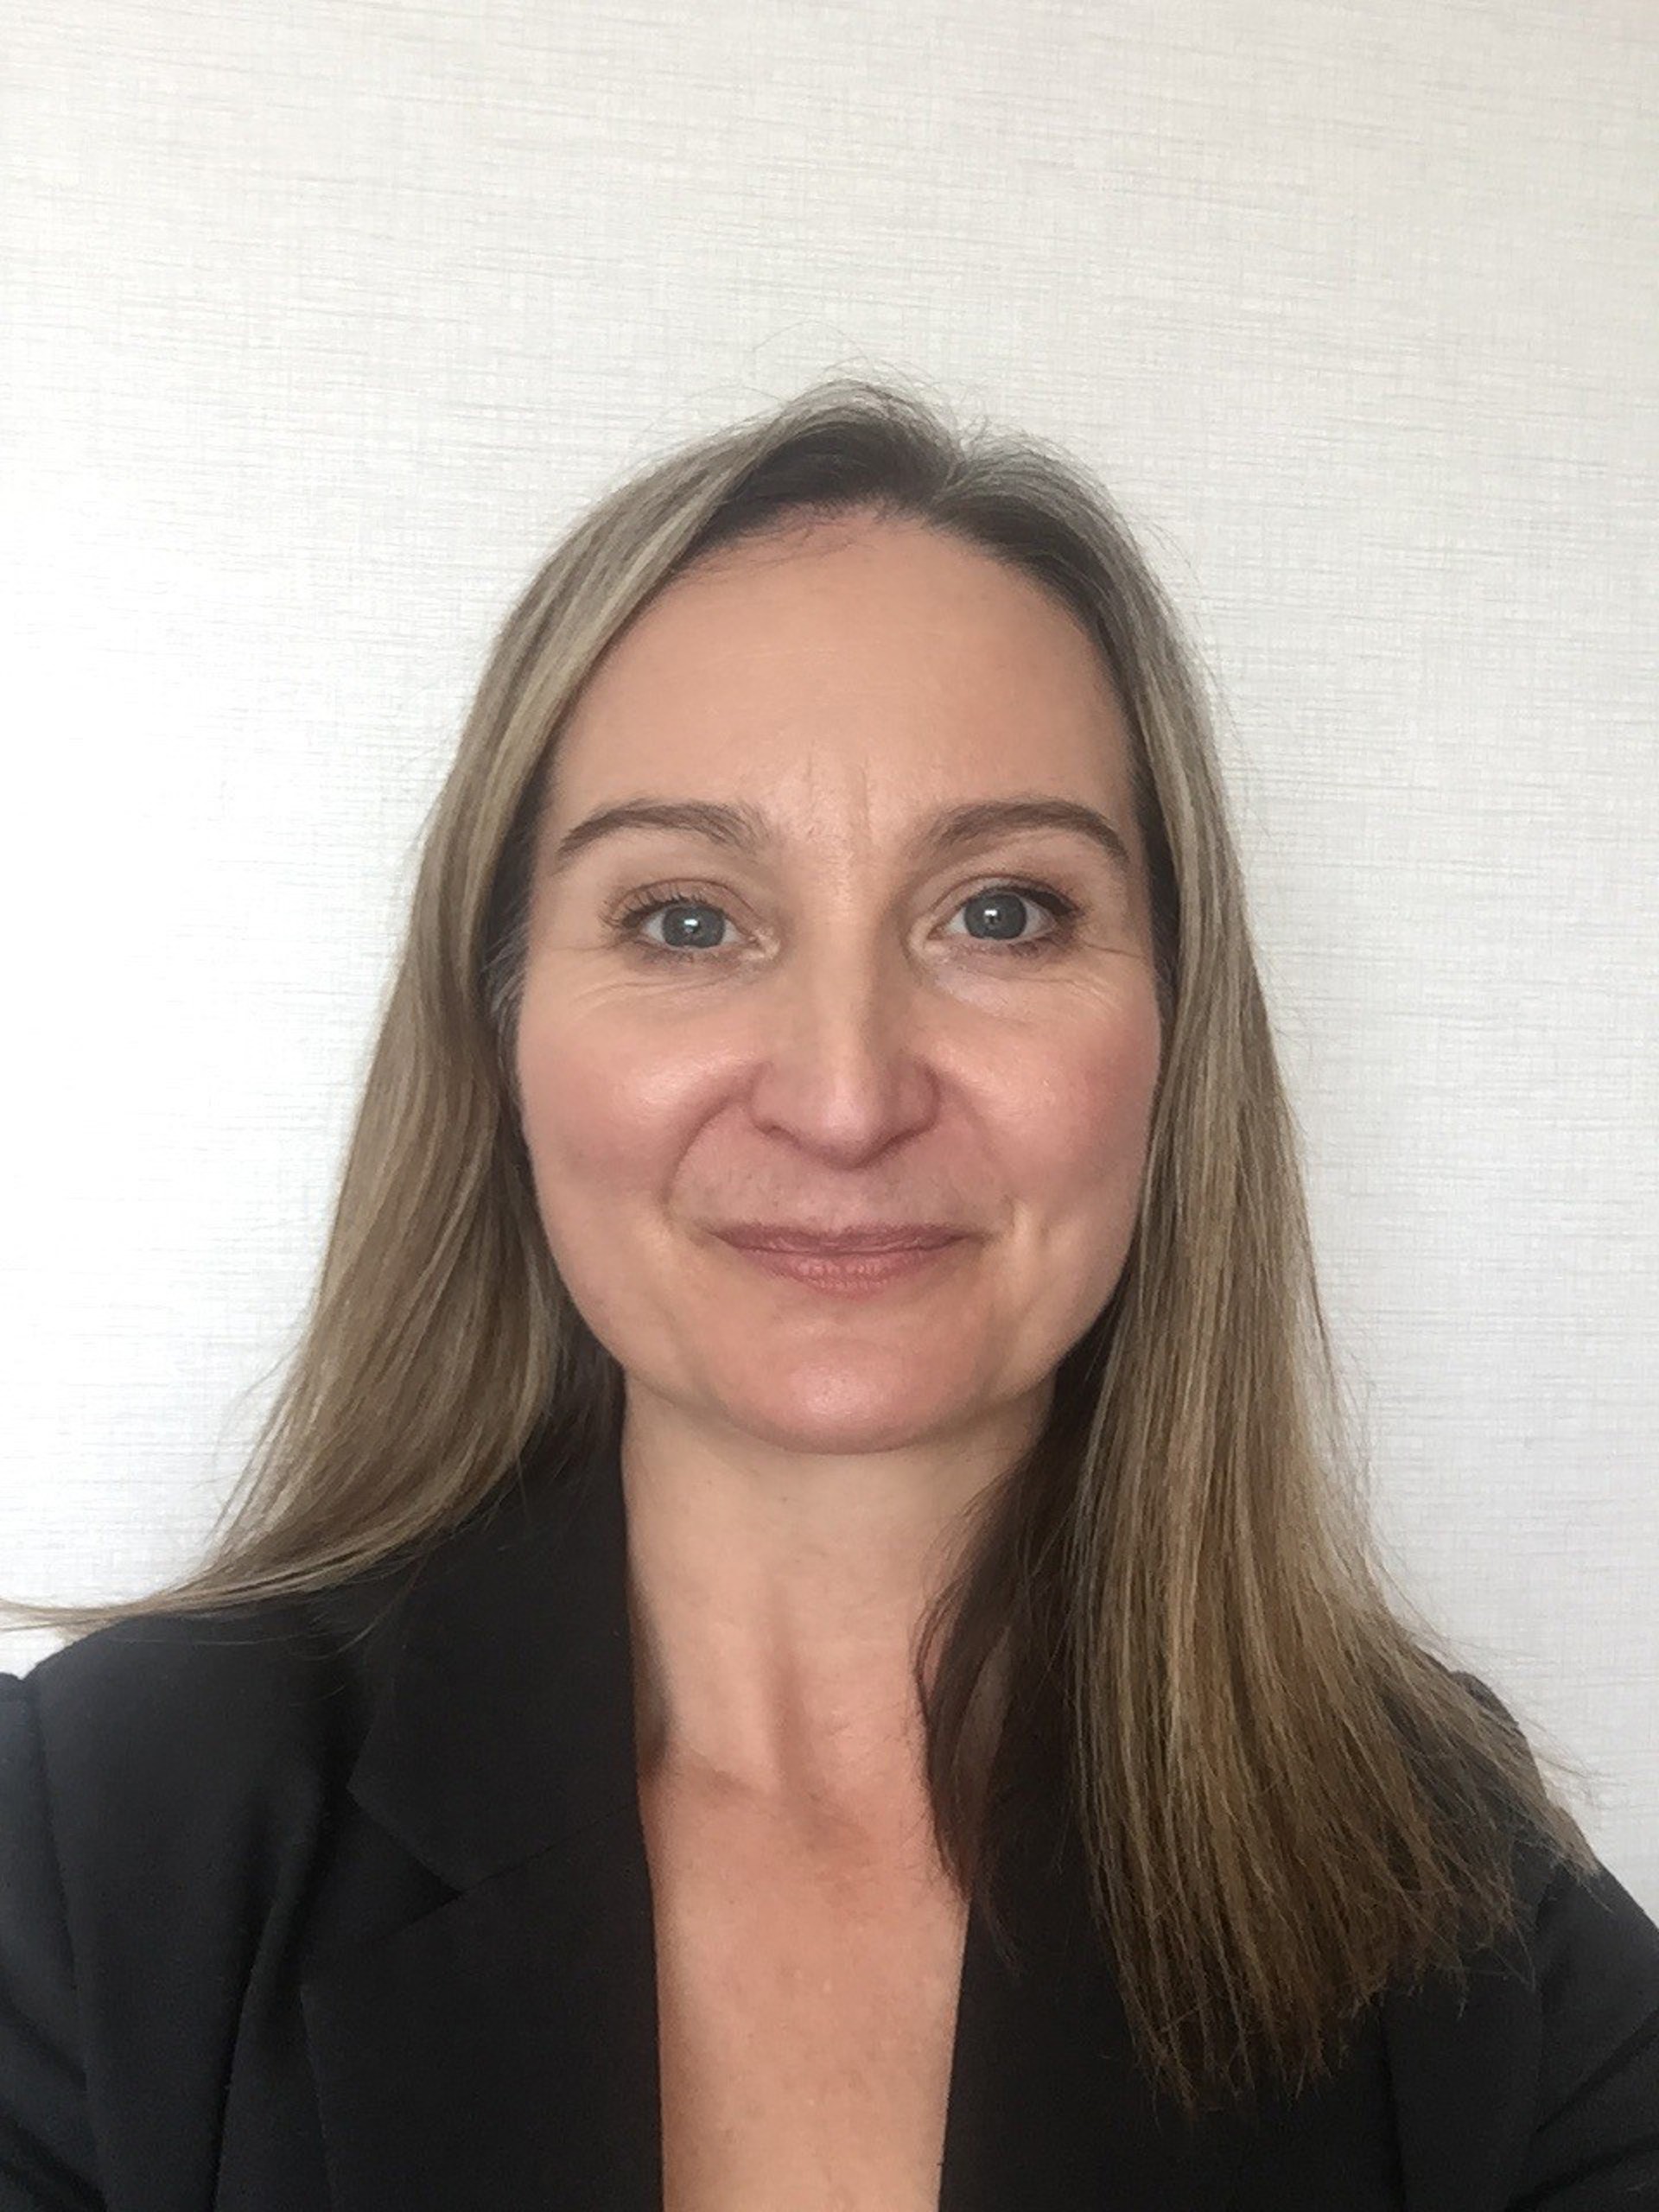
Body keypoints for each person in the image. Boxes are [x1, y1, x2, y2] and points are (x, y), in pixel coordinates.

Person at [2, 379, 1656, 2212]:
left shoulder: (1469, 1926)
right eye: (688, 919)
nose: (849, 1095)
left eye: (1002, 912)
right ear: (501, 1034)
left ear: (1175, 1037)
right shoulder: (91, 1852)